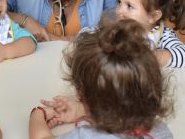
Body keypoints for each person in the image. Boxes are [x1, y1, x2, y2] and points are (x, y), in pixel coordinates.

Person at [29, 19, 174, 138]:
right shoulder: (159, 130)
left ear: (81, 93)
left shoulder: (86, 136)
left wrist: (37, 115)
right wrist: (83, 110)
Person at [116, 0, 185, 67]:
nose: (119, 11)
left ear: (153, 16)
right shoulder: (117, 27)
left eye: (129, 6)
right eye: (119, 2)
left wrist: (153, 57)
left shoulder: (163, 36)